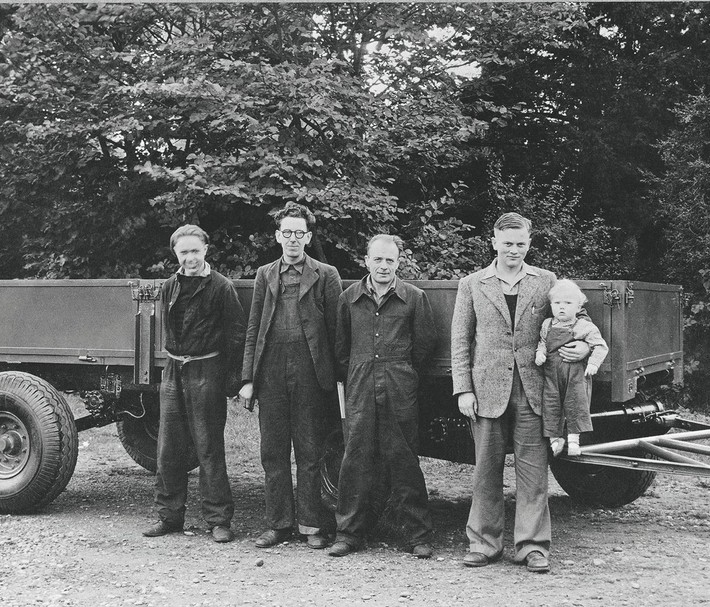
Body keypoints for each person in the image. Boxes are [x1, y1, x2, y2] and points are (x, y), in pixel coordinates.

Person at [451, 212, 590, 573]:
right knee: (486, 470)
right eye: (507, 243)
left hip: (533, 391)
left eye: (521, 244)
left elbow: (575, 317)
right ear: (494, 242)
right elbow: (461, 340)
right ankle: (483, 543)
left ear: (529, 244)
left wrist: (585, 347)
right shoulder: (472, 283)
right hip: (486, 392)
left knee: (533, 472)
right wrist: (463, 389)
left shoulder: (546, 281)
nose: (514, 250)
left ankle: (532, 546)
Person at [239, 202, 342, 549]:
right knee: (273, 452)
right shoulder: (264, 274)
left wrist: (336, 377)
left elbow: (336, 330)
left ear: (309, 237)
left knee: (311, 451)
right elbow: (253, 328)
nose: (293, 239)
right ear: (278, 236)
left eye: (300, 233)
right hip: (270, 373)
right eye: (287, 233)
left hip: (311, 373)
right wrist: (247, 379)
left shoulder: (327, 275)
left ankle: (312, 525)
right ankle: (278, 524)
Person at [328, 235, 438, 559]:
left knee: (404, 461)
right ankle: (348, 534)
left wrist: (402, 372)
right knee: (355, 461)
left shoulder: (414, 299)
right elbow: (341, 348)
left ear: (398, 262)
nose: (384, 266)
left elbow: (425, 345)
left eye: (390, 260)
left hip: (399, 388)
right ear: (366, 261)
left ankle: (418, 535)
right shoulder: (349, 298)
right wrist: (360, 373)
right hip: (360, 387)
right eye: (378, 259)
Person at [143, 224, 245, 543]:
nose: (190, 258)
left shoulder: (221, 287)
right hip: (174, 371)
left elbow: (236, 335)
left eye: (195, 251)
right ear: (175, 254)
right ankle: (169, 516)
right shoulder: (168, 287)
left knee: (208, 448)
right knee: (169, 448)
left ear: (206, 251)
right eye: (184, 252)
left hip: (207, 372)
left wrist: (231, 380)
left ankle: (218, 520)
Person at [535, 279, 609, 457]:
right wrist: (540, 353)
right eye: (557, 303)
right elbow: (542, 342)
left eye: (568, 303)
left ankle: (574, 440)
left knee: (575, 404)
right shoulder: (547, 324)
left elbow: (600, 346)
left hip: (574, 375)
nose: (562, 307)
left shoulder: (583, 326)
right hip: (551, 374)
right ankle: (555, 440)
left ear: (578, 307)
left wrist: (593, 363)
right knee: (551, 405)